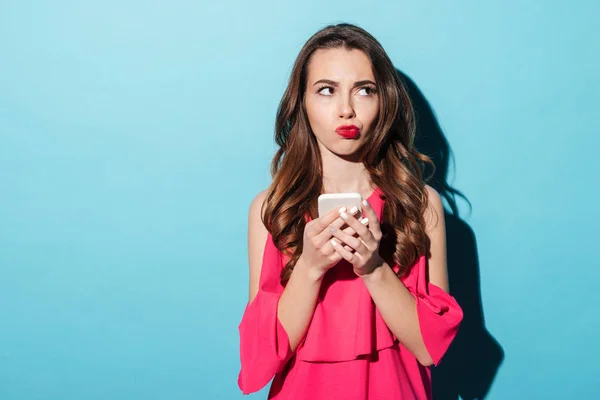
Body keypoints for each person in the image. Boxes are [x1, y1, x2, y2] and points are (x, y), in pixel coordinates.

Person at [237, 23, 463, 400]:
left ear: (384, 101)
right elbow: (261, 357)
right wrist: (310, 268)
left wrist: (373, 268)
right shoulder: (271, 209)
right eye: (326, 90)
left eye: (364, 90)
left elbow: (429, 347)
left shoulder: (420, 206)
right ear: (302, 104)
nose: (346, 110)